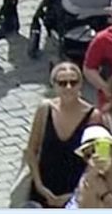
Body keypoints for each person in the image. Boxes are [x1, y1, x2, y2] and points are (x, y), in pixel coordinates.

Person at [23, 60, 97, 208]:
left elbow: (96, 163)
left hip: (76, 195)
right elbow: (31, 150)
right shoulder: (45, 110)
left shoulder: (93, 116)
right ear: (54, 85)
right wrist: (39, 186)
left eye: (73, 82)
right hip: (43, 191)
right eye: (62, 83)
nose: (68, 87)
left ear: (80, 84)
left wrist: (75, 193)